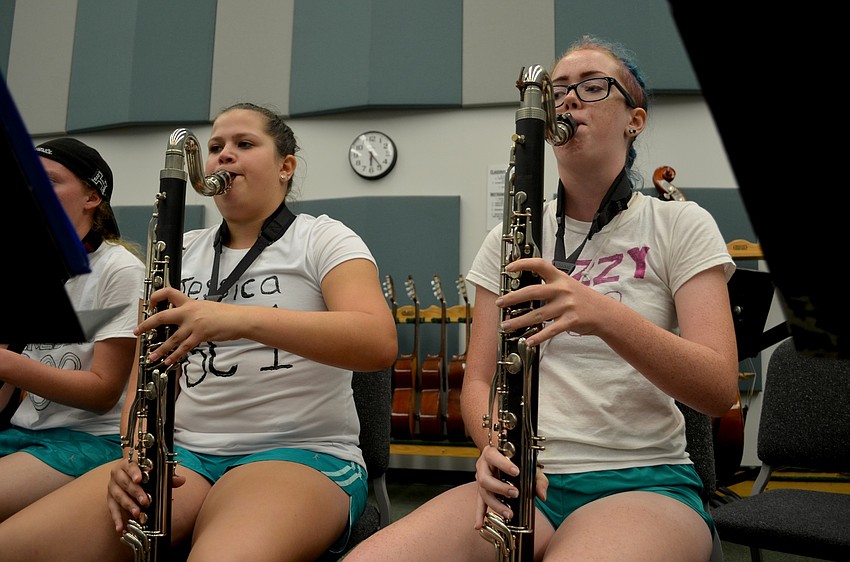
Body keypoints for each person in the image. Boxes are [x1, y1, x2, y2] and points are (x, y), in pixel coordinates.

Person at [347, 34, 739, 562]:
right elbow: (480, 378)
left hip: (643, 480)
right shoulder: (507, 238)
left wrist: (601, 314)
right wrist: (491, 447)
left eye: (593, 86)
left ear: (634, 120)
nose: (569, 98)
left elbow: (718, 388)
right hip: (524, 481)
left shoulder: (679, 223)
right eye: (558, 89)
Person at [0, 103, 398, 561]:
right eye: (215, 147)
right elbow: (141, 375)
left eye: (244, 144)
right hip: (182, 456)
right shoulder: (179, 250)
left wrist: (235, 318)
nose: (224, 155)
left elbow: (377, 342)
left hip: (299, 453)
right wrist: (131, 451)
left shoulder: (324, 238)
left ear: (286, 167)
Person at [0, 138, 144, 522]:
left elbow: (102, 392)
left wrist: (3, 363)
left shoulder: (120, 270)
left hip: (93, 440)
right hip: (23, 434)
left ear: (91, 197)